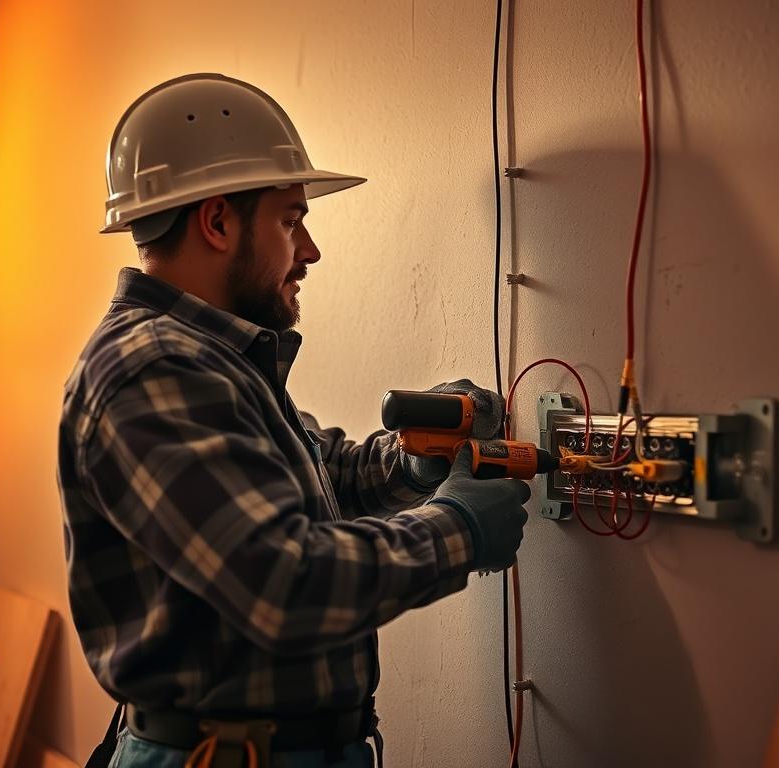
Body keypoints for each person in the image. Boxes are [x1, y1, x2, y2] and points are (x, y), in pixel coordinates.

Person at [57, 73, 531, 768]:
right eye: (289, 220)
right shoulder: (152, 368)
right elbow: (280, 582)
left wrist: (410, 461)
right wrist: (457, 529)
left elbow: (315, 469)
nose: (308, 251)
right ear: (218, 221)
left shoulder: (211, 357)